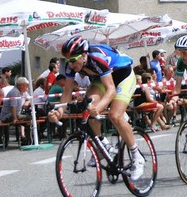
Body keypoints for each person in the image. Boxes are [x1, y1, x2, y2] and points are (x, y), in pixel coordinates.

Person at [50, 35, 145, 180]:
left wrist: (99, 107)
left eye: (73, 60)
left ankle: (136, 156)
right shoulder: (72, 65)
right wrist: (59, 111)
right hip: (102, 78)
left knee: (114, 115)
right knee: (88, 107)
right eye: (68, 61)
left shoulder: (96, 58)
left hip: (123, 76)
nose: (70, 64)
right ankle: (103, 146)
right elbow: (67, 91)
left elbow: (111, 89)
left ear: (83, 55)